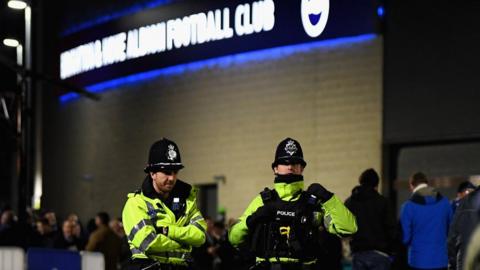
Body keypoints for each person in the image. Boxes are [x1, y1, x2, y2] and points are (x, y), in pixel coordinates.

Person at [228, 137, 357, 270]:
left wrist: (329, 198)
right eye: (284, 162)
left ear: (302, 168)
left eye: (295, 162)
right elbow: (233, 238)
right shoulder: (262, 201)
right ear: (275, 169)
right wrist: (252, 220)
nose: (290, 166)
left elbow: (348, 228)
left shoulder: (313, 203)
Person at [122, 138, 206, 270]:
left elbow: (200, 236)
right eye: (166, 172)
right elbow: (148, 242)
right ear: (152, 173)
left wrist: (168, 231)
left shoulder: (188, 200)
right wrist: (184, 244)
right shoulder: (135, 203)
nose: (172, 178)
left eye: (175, 172)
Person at [345, 168, 396, 270]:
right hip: (381, 254)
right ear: (376, 185)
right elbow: (391, 228)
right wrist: (392, 251)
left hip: (358, 253)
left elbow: (344, 229)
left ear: (361, 182)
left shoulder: (350, 203)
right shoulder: (383, 202)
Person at [400, 172, 452, 270]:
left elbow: (405, 238)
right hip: (441, 260)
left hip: (417, 261)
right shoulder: (445, 202)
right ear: (427, 183)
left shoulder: (408, 207)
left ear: (411, 185)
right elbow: (452, 230)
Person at [448, 184, 480, 270]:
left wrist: (452, 262)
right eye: (466, 191)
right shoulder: (454, 205)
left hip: (467, 260)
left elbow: (453, 236)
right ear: (459, 194)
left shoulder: (465, 203)